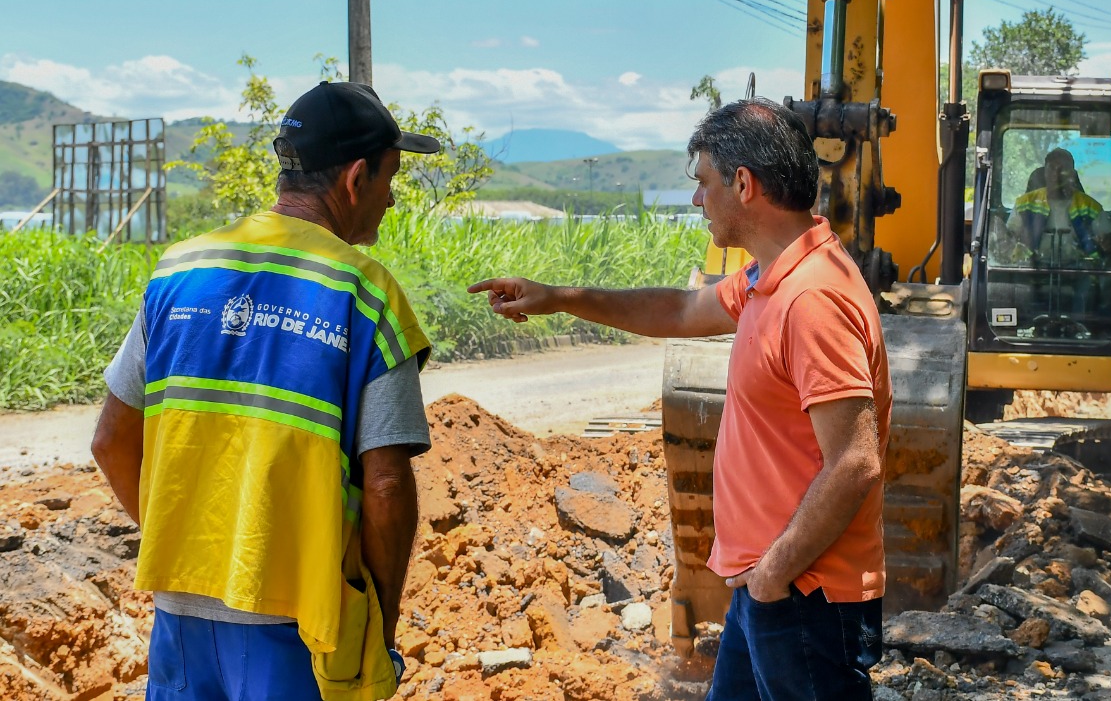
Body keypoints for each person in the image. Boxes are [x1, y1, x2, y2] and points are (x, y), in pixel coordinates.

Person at [469, 98, 891, 701]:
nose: (696, 200)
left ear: (743, 184)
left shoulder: (812, 299)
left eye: (703, 183)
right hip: (767, 585)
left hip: (804, 593)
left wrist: (773, 576)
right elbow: (677, 308)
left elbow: (856, 461)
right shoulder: (767, 278)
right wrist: (559, 296)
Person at [92, 81, 438, 701]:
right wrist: (378, 624)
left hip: (180, 615)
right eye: (390, 179)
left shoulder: (178, 270)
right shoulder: (367, 293)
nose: (390, 200)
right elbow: (386, 484)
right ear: (356, 179)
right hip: (300, 626)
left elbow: (111, 442)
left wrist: (199, 543)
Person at [1006, 148, 1111, 264]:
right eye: (1052, 168)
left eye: (1063, 169)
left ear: (1072, 174)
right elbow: (1008, 239)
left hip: (1081, 272)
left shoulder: (1091, 207)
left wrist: (1108, 242)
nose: (1056, 174)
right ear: (1045, 172)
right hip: (1030, 270)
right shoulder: (1024, 204)